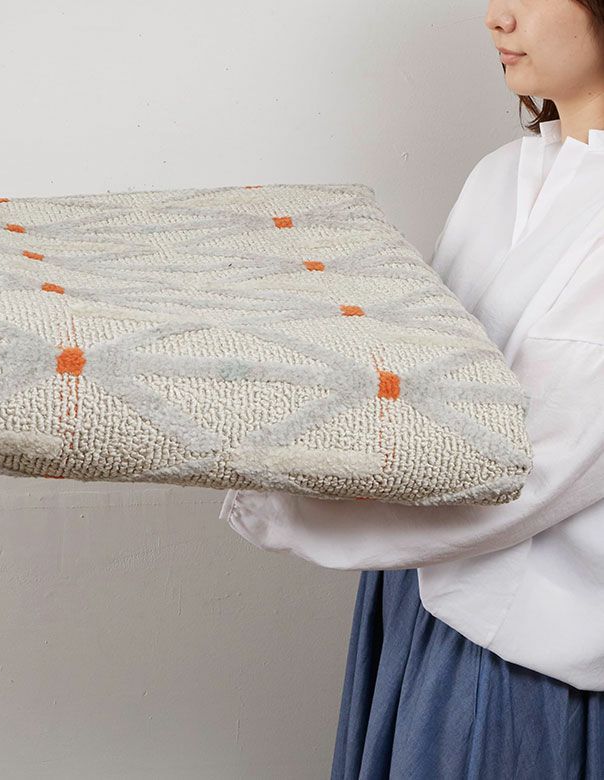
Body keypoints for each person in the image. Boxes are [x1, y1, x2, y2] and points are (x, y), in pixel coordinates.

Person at [219, 0, 604, 776]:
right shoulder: (498, 178)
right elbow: (419, 394)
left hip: (538, 650)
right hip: (419, 595)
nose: (497, 18)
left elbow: (536, 468)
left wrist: (285, 506)